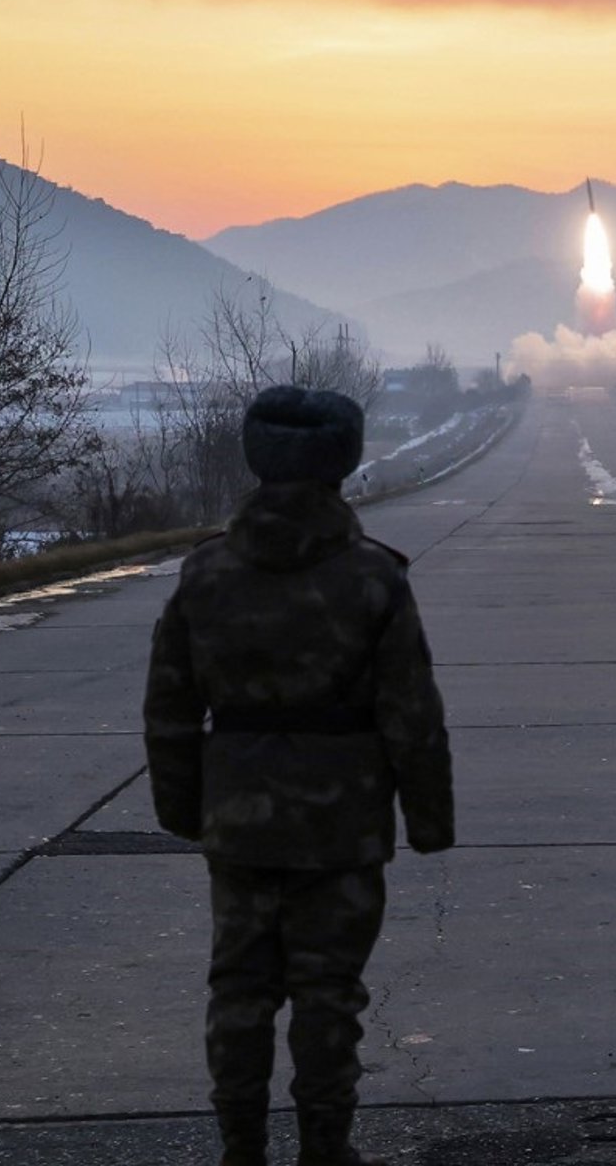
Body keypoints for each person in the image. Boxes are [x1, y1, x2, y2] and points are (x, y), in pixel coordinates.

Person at [144, 386, 455, 1166]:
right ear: (342, 462)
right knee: (328, 992)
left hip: (239, 818)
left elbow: (169, 706)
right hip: (342, 822)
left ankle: (241, 1148)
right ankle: (325, 1146)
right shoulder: (374, 577)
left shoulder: (205, 574)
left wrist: (184, 808)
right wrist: (428, 818)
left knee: (239, 989)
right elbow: (411, 713)